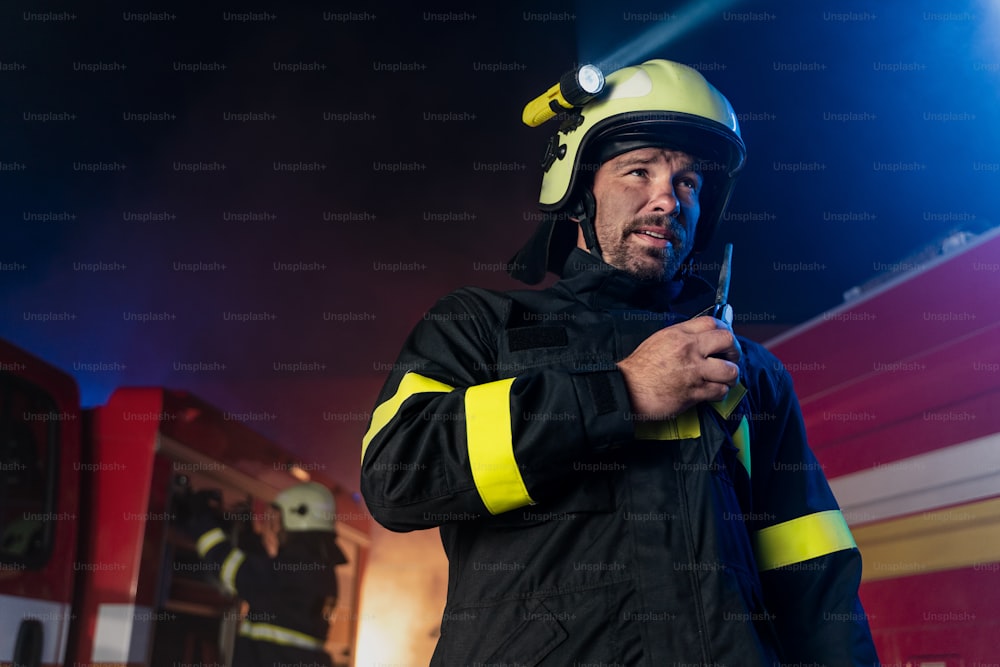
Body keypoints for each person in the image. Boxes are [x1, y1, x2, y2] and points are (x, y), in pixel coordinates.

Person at [361, 59, 880, 665]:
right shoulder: (480, 326)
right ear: (579, 188)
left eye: (687, 182)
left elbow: (815, 583)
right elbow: (397, 476)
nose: (667, 199)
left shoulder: (751, 372)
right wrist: (621, 393)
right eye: (639, 171)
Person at [189, 482, 347, 667]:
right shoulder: (318, 569)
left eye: (274, 519)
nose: (269, 525)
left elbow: (237, 572)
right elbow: (269, 578)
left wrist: (200, 522)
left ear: (296, 516)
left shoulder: (298, 570)